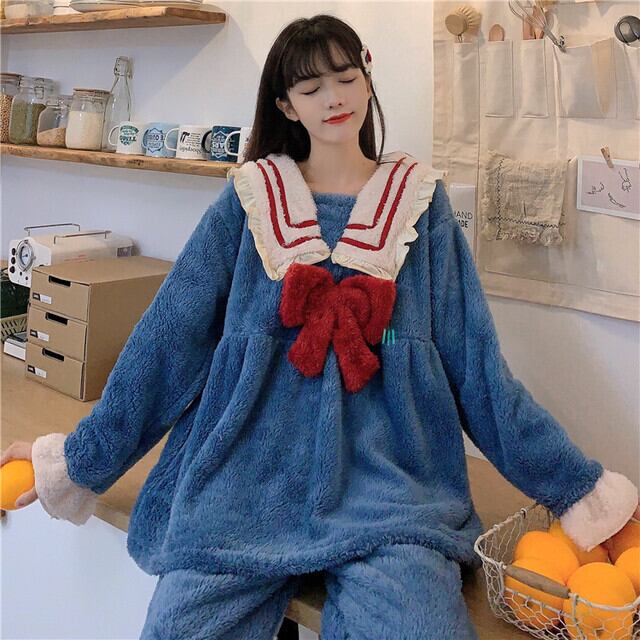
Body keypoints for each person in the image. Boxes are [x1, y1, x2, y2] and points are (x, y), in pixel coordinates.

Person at [2, 14, 638, 640]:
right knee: (180, 627)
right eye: (310, 87)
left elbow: (478, 369)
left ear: (368, 77)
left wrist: (576, 488)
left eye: (345, 77)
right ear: (286, 104)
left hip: (392, 491)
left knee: (419, 626)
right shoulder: (248, 199)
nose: (334, 98)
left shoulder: (419, 202)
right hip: (242, 483)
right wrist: (76, 461)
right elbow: (167, 344)